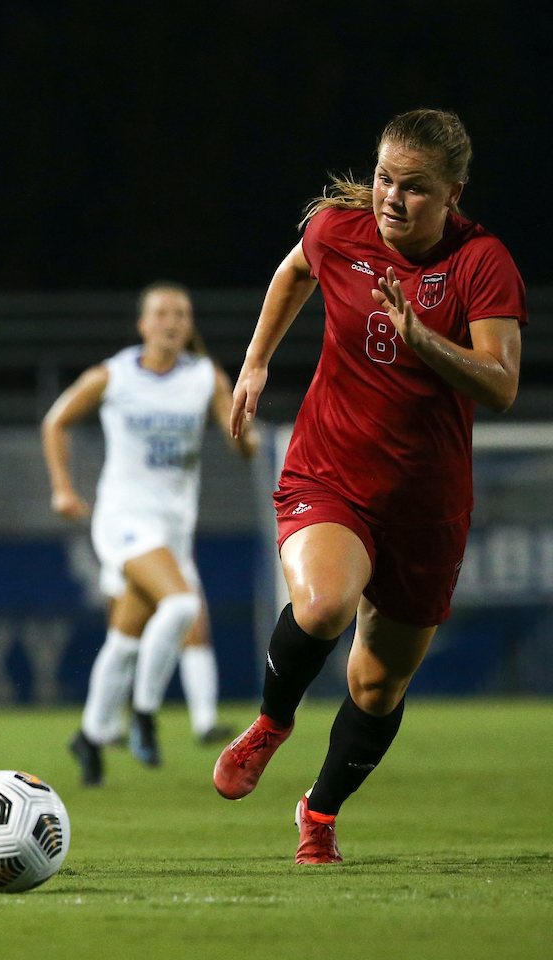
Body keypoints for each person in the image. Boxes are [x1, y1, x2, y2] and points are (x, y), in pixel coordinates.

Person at [214, 109, 526, 864]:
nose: (391, 197)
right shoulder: (339, 231)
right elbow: (295, 270)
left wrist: (423, 338)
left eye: (413, 187)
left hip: (425, 506)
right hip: (331, 472)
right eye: (385, 178)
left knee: (378, 686)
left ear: (452, 193)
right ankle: (272, 722)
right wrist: (255, 361)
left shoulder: (481, 262)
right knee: (324, 605)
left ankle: (318, 812)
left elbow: (501, 383)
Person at [43, 282, 258, 786]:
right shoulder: (113, 375)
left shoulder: (205, 377)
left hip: (173, 529)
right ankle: (143, 713)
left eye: (181, 314)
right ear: (142, 324)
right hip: (123, 520)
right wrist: (62, 489)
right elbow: (56, 422)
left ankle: (90, 736)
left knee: (124, 639)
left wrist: (248, 435)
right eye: (161, 313)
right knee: (182, 606)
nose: (172, 322)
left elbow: (241, 442)